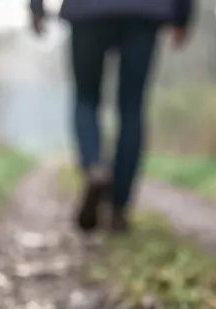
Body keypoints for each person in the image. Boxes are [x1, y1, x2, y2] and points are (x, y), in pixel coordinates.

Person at [31, 0, 192, 233]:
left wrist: (36, 8)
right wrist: (182, 14)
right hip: (143, 13)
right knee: (131, 107)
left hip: (87, 11)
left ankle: (94, 164)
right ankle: (119, 207)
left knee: (86, 98)